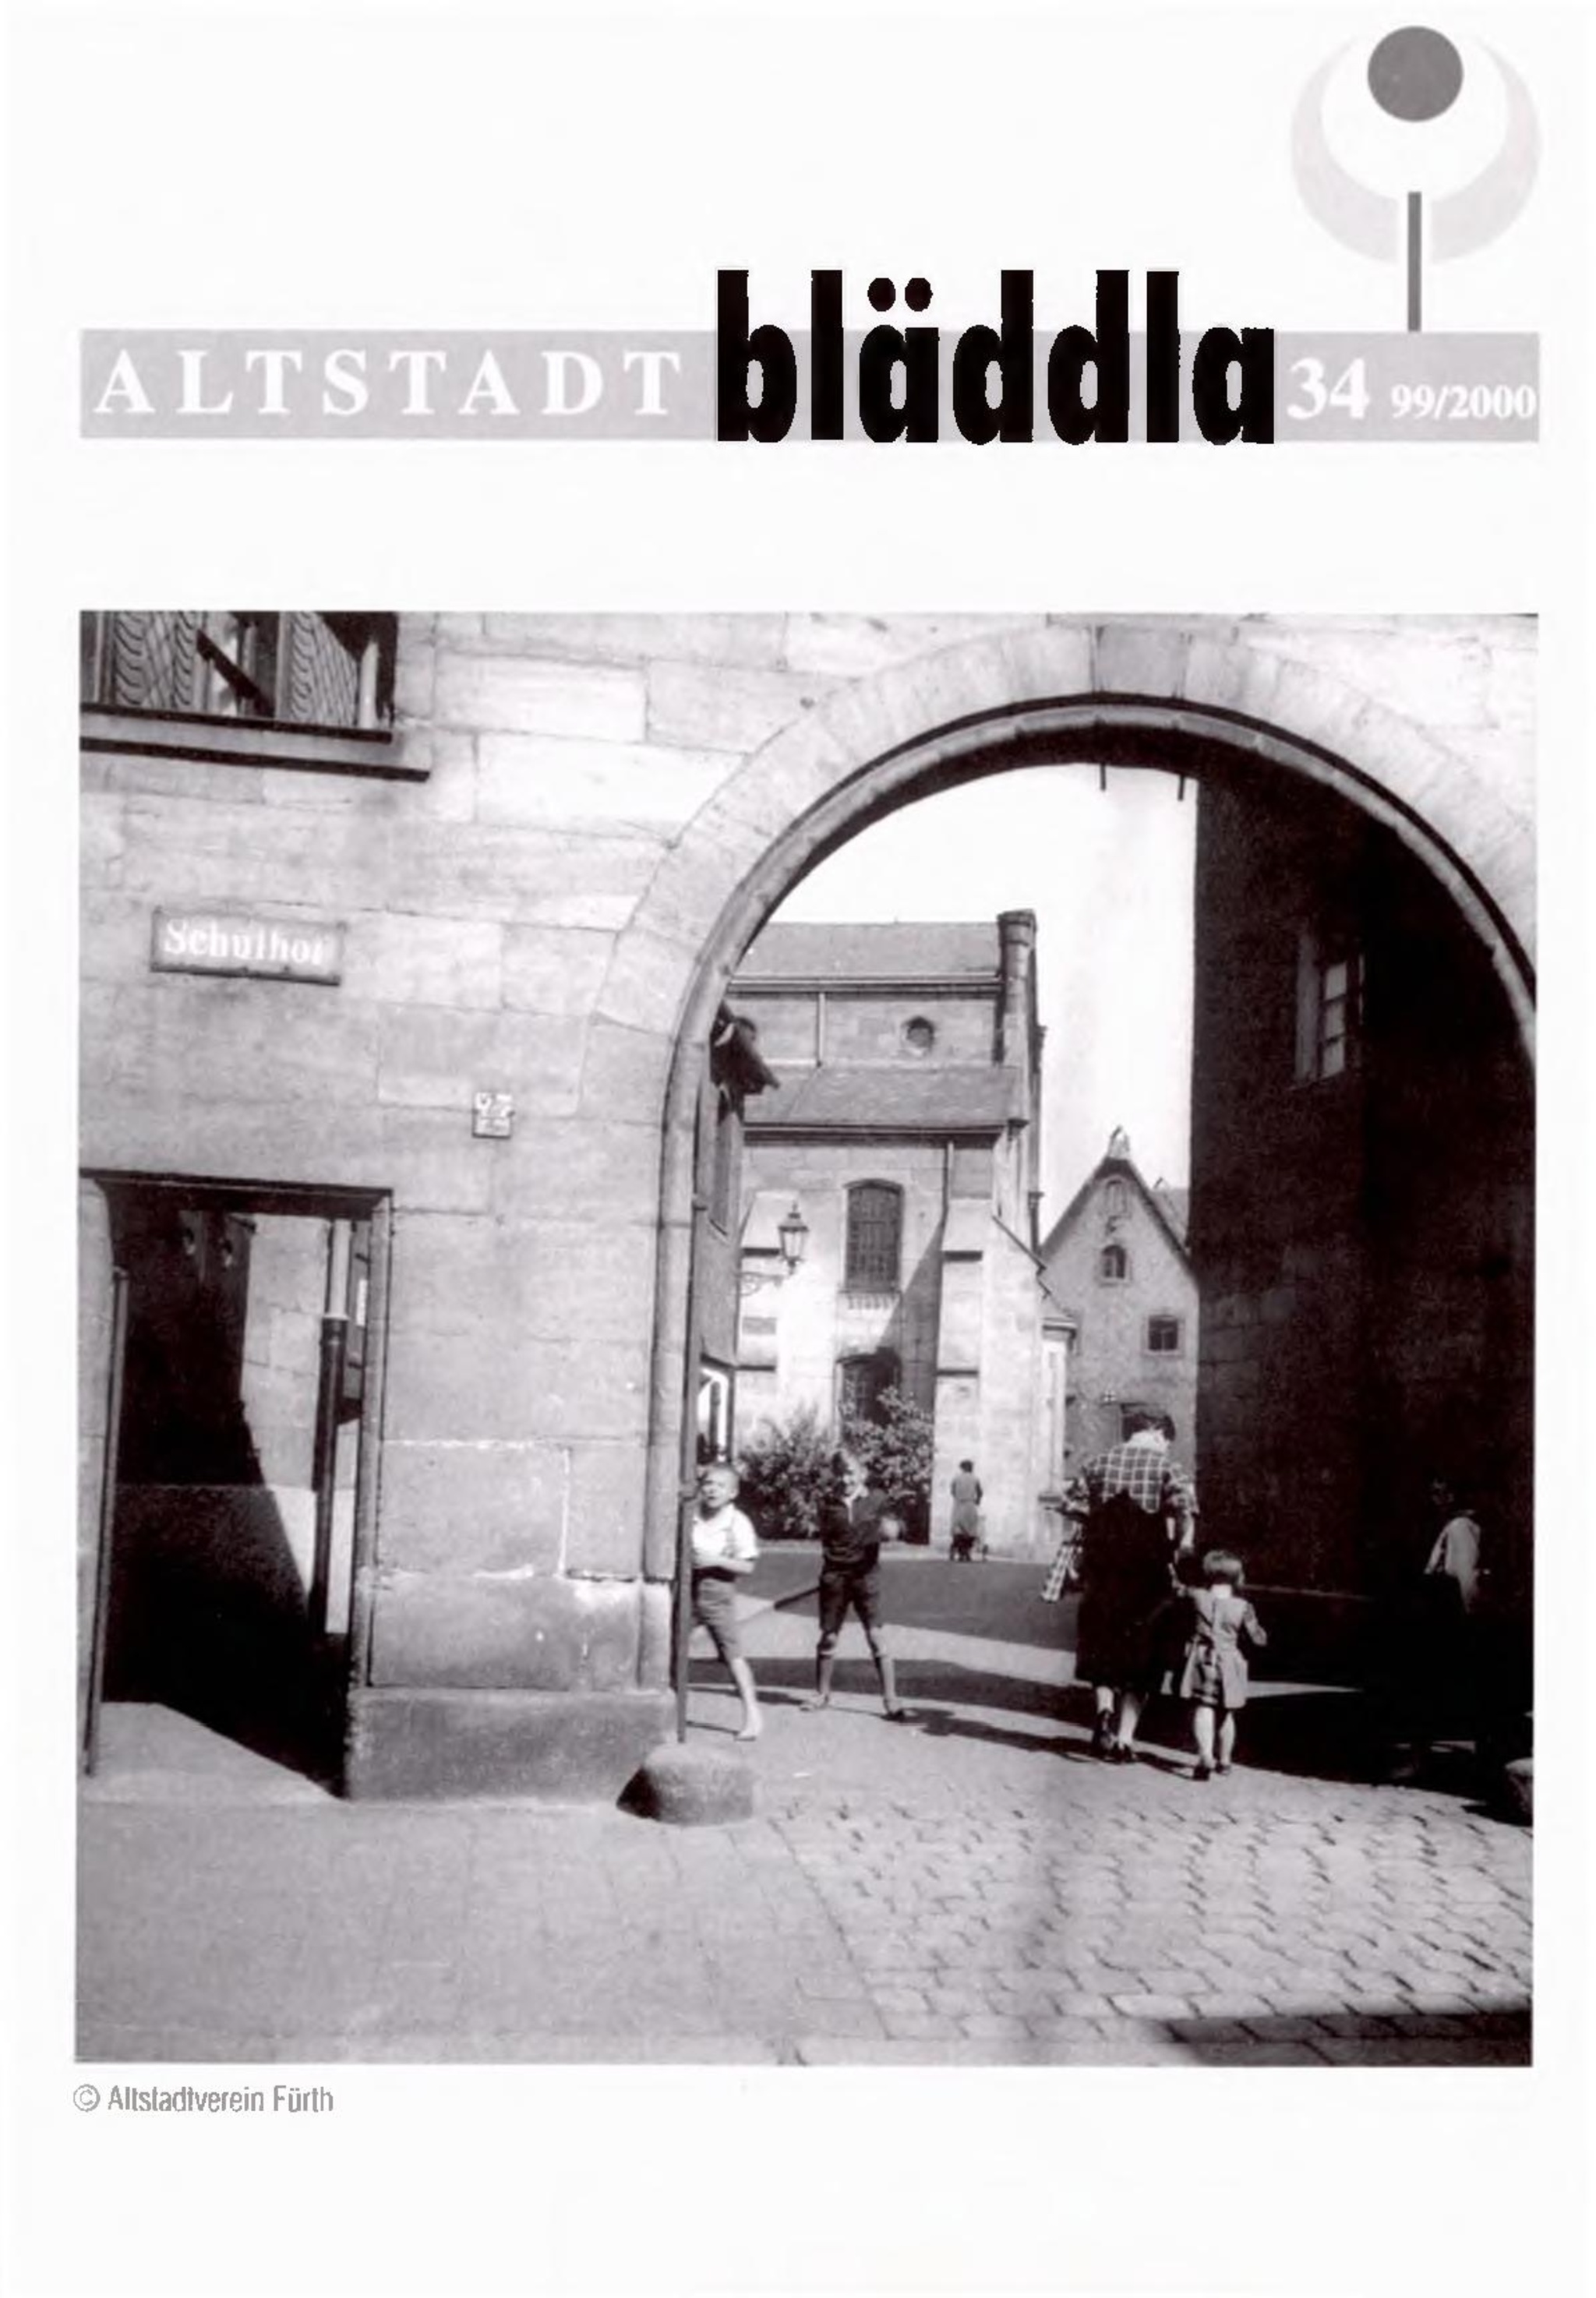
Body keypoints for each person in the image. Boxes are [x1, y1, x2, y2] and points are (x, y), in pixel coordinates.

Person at [1042, 1407, 1197, 1760]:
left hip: (1103, 1570)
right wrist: (1182, 1544)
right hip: (1147, 1573)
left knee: (1102, 1646)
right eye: (1167, 1441)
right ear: (1157, 1432)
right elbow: (1185, 1510)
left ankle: (1103, 1711)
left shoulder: (1097, 1464)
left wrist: (1098, 1519)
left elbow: (1071, 1505)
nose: (1166, 1447)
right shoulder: (1167, 1468)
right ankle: (1125, 1741)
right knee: (1144, 1655)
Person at [803, 1453, 909, 1719]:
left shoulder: (877, 1499)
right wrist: (833, 1569)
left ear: (863, 1473)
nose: (845, 1478)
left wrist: (893, 1529)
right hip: (835, 1578)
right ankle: (821, 1693)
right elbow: (827, 1539)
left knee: (876, 1636)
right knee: (829, 1636)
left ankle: (891, 1699)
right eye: (839, 1473)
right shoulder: (827, 1503)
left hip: (866, 1577)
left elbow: (897, 1527)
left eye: (850, 1472)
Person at [1173, 1549, 1267, 1780]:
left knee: (1203, 1708)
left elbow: (1177, 1589)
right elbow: (1258, 1639)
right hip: (1229, 1663)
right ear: (1237, 1576)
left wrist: (1174, 1572)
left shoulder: (1197, 1596)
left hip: (1202, 1659)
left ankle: (1205, 1754)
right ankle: (1225, 1760)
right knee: (1226, 1713)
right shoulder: (1243, 1606)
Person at [689, 1461, 762, 1742]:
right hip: (687, 1589)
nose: (712, 1490)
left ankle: (752, 1715)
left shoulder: (737, 1522)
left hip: (718, 1591)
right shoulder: (691, 1514)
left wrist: (716, 1560)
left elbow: (748, 1566)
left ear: (733, 1493)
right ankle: (671, 1711)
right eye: (708, 1483)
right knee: (671, 1649)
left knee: (732, 1653)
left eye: (720, 1486)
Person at [949, 1460, 985, 1562]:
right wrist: (977, 1501)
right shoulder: (975, 1478)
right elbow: (980, 1492)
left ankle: (961, 1552)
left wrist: (959, 1497)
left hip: (959, 1505)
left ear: (962, 1468)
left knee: (958, 1529)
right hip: (970, 1505)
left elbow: (952, 1491)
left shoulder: (956, 1478)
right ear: (970, 1468)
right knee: (970, 1530)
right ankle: (966, 1552)